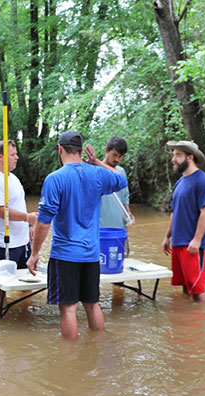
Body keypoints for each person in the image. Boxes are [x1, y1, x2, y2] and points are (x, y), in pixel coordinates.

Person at [26, 131, 128, 339]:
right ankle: (96, 348)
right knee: (92, 305)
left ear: (60, 149)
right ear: (81, 151)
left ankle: (70, 361)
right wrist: (97, 162)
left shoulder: (55, 179)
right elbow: (121, 179)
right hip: (91, 254)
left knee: (69, 309)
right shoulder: (97, 174)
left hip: (65, 255)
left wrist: (34, 253)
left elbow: (44, 222)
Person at [0, 140, 38, 301]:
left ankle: (24, 311)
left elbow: (19, 204)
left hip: (22, 240)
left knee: (26, 281)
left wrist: (28, 225)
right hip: (3, 242)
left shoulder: (13, 178)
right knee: (1, 284)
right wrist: (27, 217)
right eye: (12, 155)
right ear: (1, 157)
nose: (17, 157)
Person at [161, 140, 205, 302]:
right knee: (185, 286)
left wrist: (197, 240)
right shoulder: (180, 182)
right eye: (173, 155)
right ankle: (185, 323)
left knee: (197, 290)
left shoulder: (203, 180)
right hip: (178, 242)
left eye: (178, 155)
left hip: (192, 245)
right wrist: (167, 237)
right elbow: (174, 211)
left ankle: (199, 325)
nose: (173, 159)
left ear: (189, 157)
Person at [98, 136, 135, 254]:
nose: (117, 159)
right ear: (106, 151)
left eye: (121, 156)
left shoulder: (121, 172)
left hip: (120, 230)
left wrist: (128, 213)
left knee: (122, 265)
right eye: (114, 155)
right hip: (101, 232)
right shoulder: (94, 171)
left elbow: (125, 196)